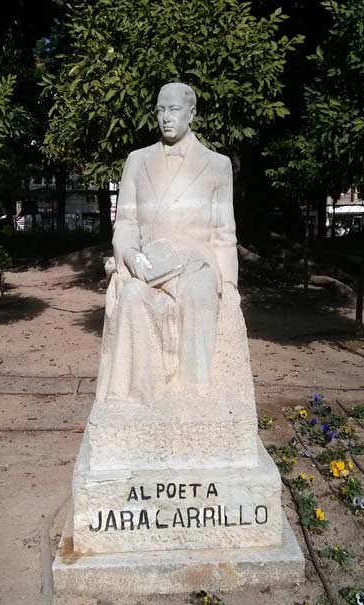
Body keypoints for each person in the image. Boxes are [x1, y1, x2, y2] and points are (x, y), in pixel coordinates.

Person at [96, 82, 239, 404]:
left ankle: (195, 396)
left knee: (200, 296)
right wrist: (131, 257)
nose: (166, 118)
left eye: (174, 110)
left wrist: (229, 285)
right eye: (160, 110)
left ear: (192, 113)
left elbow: (223, 234)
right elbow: (126, 223)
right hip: (149, 266)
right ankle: (139, 398)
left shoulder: (217, 165)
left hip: (195, 266)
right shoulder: (137, 160)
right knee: (131, 296)